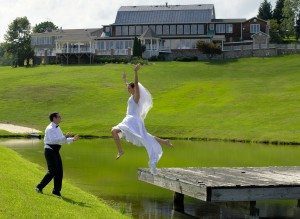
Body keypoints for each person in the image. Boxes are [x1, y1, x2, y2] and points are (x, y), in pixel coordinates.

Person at [111, 64, 172, 175]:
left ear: (134, 88)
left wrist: (135, 72)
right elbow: (128, 85)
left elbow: (136, 85)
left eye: (129, 87)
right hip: (130, 119)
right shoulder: (131, 96)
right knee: (145, 136)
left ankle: (121, 151)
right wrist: (124, 80)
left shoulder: (136, 96)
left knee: (115, 131)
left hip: (132, 120)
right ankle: (164, 141)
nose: (127, 88)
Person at [36, 112, 79, 196]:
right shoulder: (50, 128)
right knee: (52, 171)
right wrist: (65, 137)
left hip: (55, 151)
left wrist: (72, 139)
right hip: (50, 150)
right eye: (59, 117)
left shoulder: (57, 128)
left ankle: (56, 191)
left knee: (59, 172)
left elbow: (61, 140)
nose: (60, 118)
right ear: (54, 118)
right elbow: (54, 141)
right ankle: (39, 187)